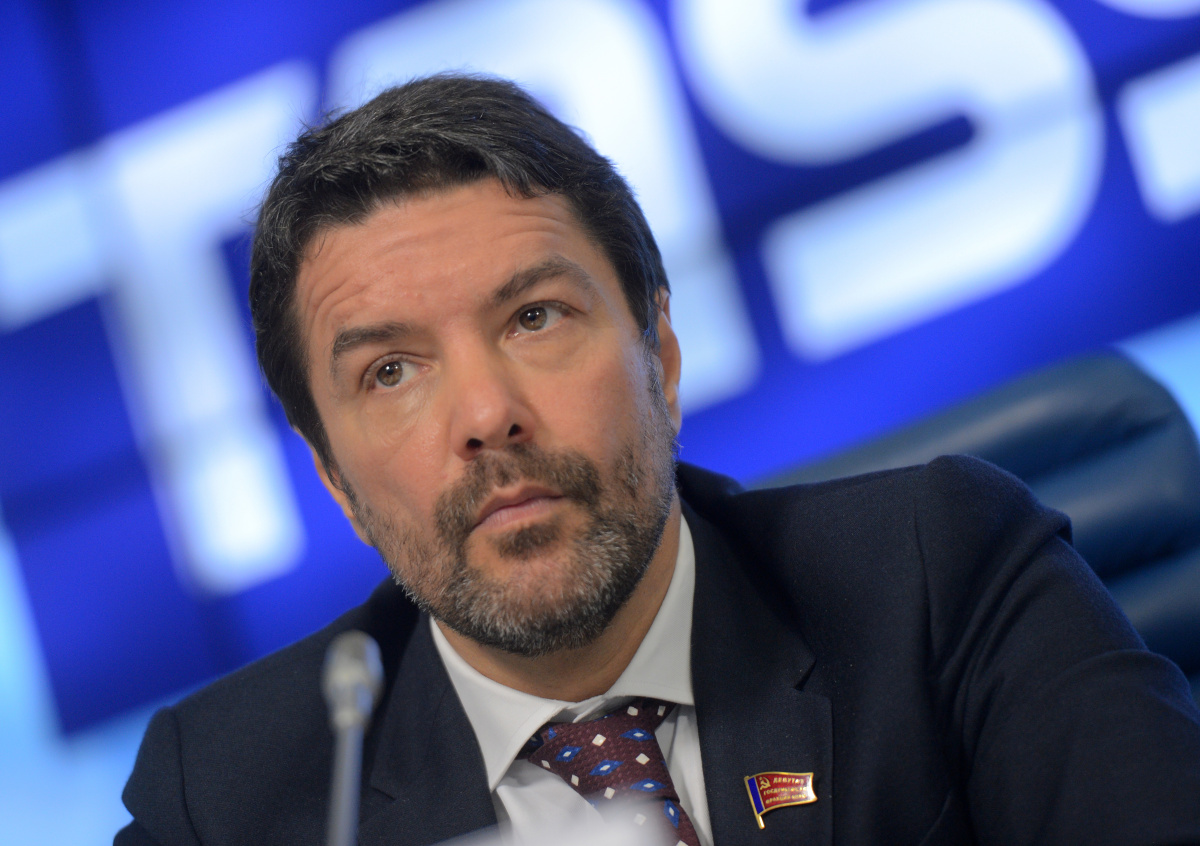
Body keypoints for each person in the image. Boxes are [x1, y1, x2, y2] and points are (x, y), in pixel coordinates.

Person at [116, 74, 1200, 846]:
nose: (486, 415)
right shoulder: (224, 802)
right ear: (336, 485)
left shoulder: (937, 573)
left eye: (535, 316)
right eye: (391, 372)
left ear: (661, 355)